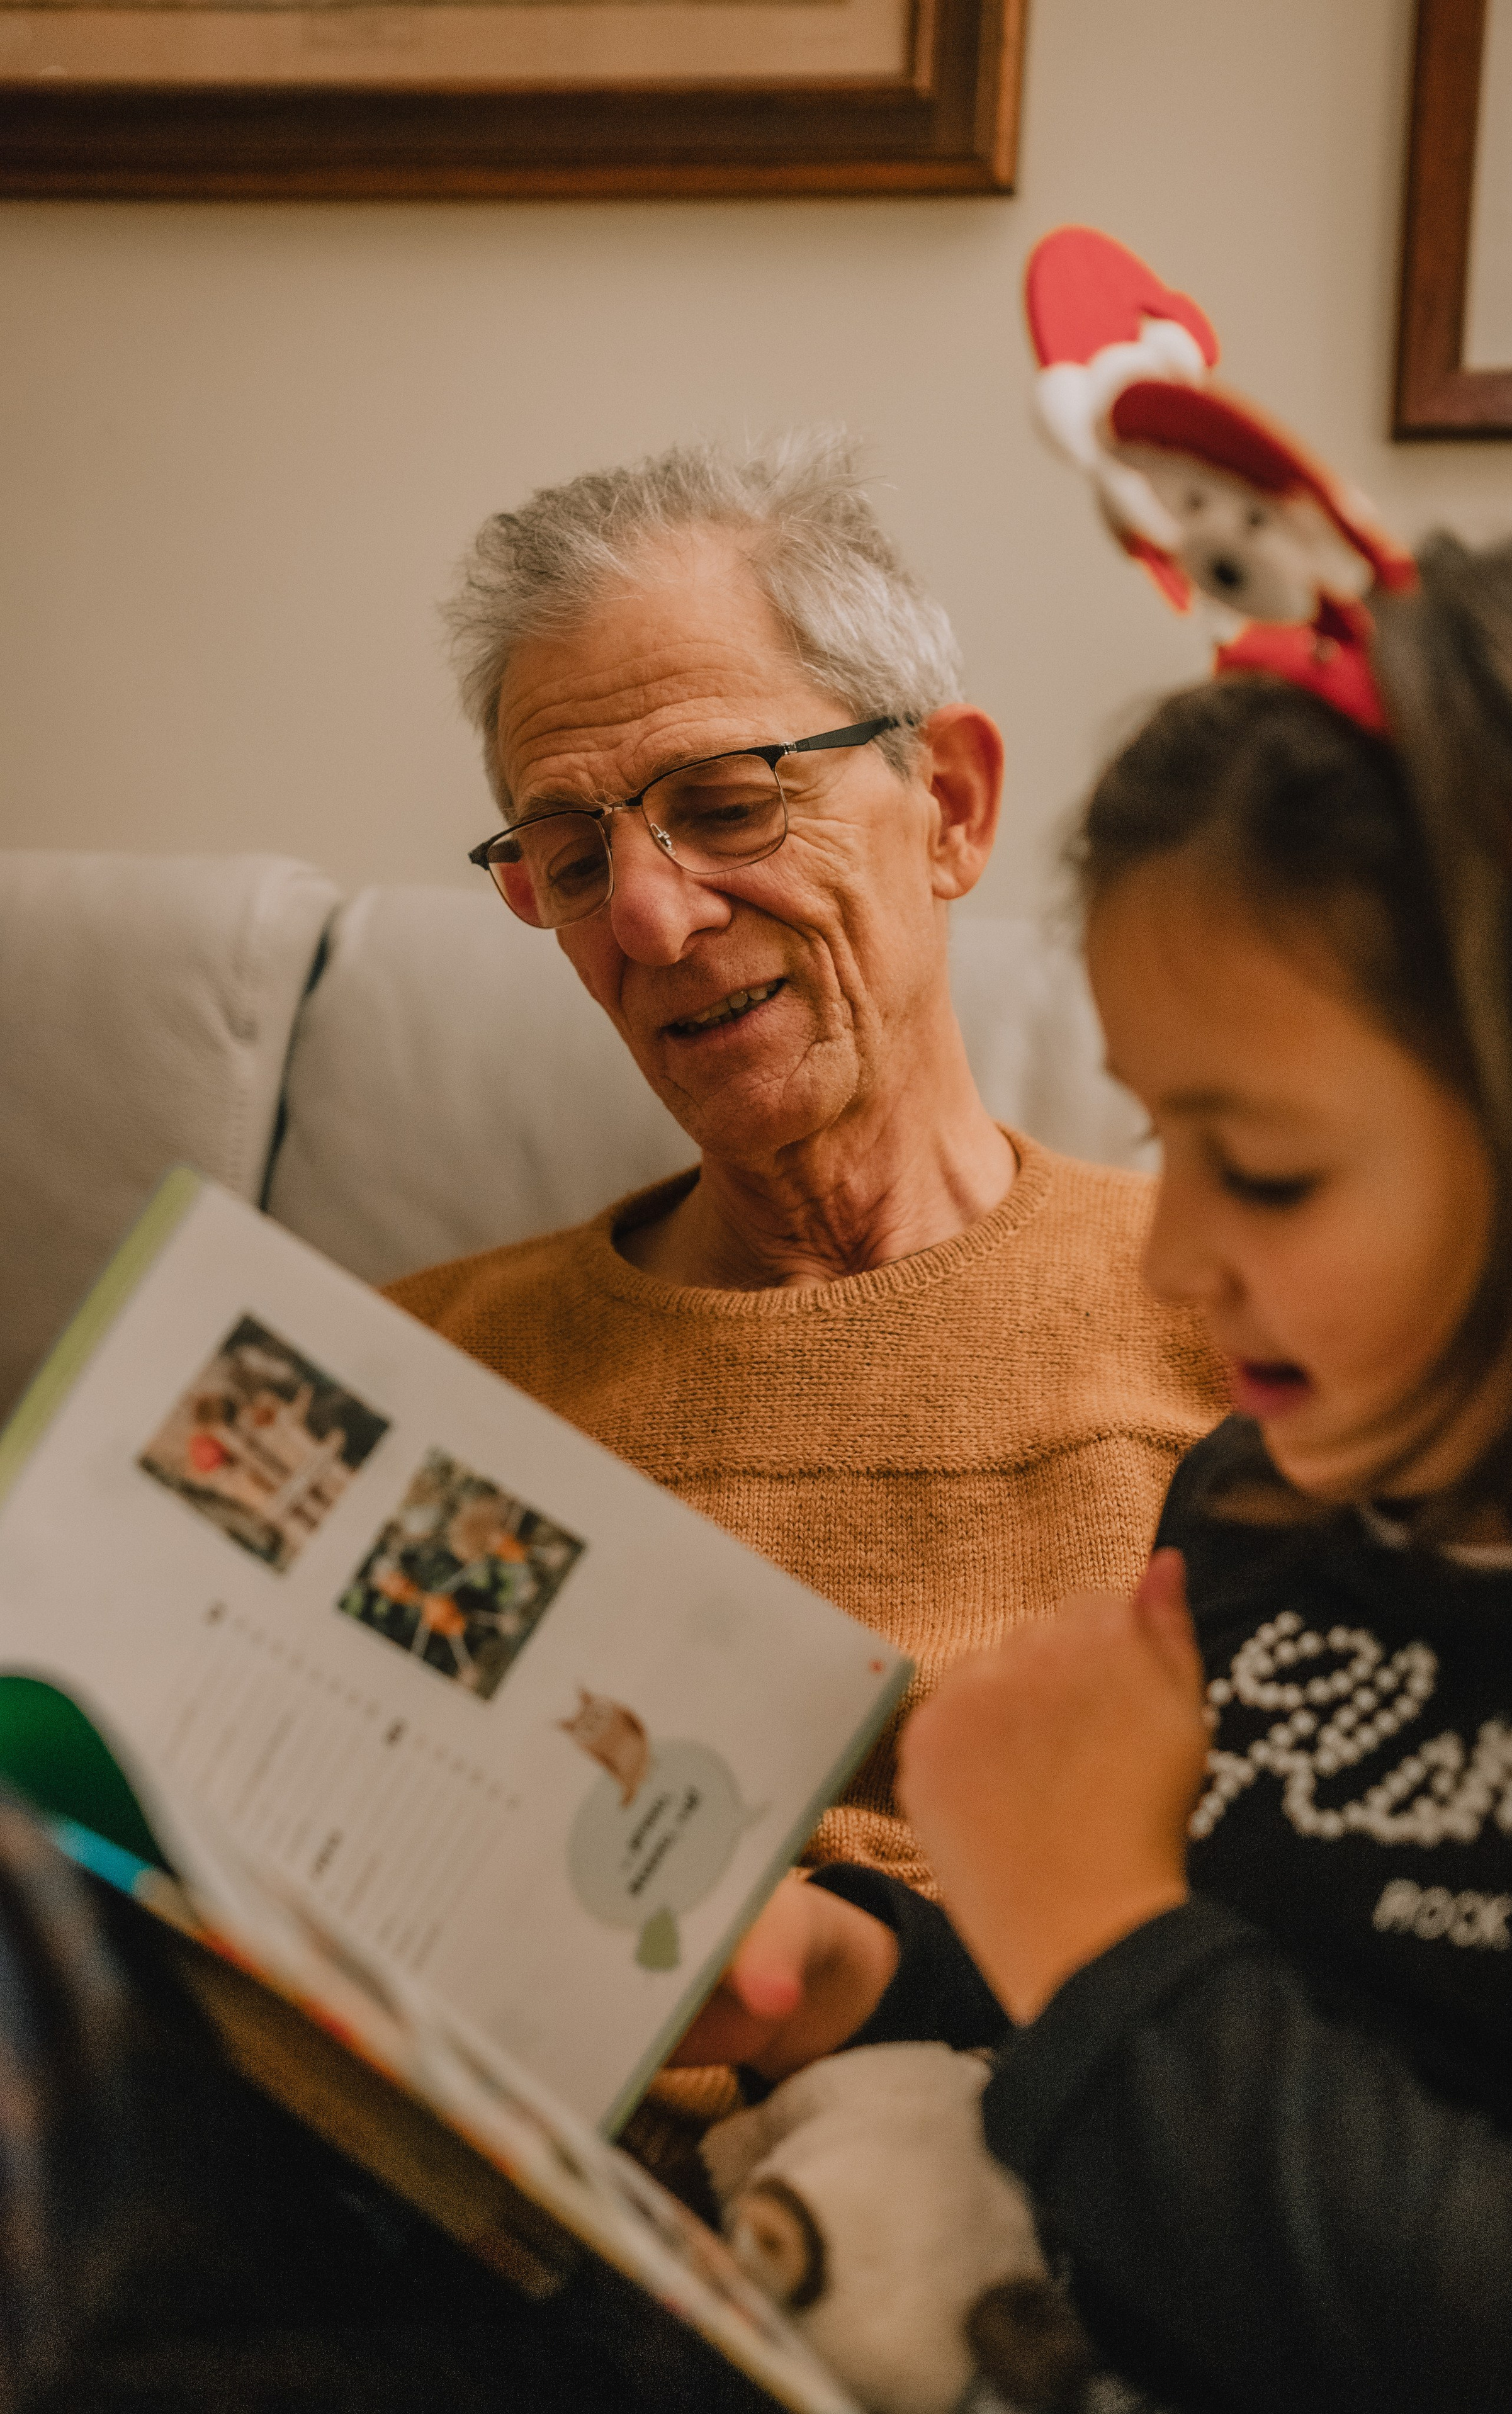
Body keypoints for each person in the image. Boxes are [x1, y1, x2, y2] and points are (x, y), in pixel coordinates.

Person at [683, 531, 1512, 2412]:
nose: (1174, 1257)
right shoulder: (1262, 1517)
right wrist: (855, 1967)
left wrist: (1100, 1919)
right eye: (1157, 1132)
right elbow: (1169, 2031)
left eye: (1265, 1167)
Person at [388, 429, 1222, 1914]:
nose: (647, 918)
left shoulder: (1246, 1309)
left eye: (724, 803)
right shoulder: (417, 1374)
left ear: (950, 806)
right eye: (572, 860)